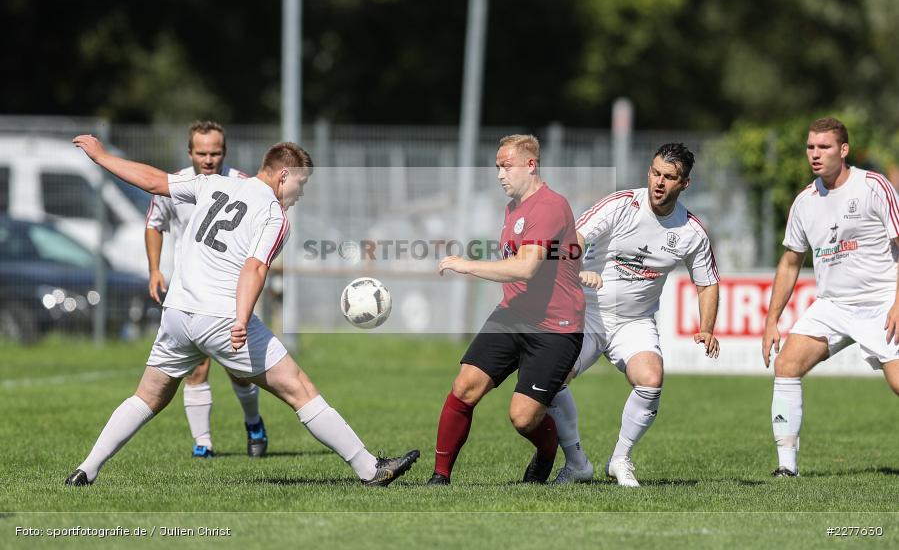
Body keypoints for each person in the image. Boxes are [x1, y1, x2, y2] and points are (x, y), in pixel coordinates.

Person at [65, 135, 418, 487]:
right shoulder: (274, 216)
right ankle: (370, 470)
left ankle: (87, 468)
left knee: (148, 397)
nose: (302, 192)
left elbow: (154, 181)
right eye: (302, 182)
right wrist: (242, 319)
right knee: (300, 389)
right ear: (283, 176)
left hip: (177, 313)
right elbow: (255, 269)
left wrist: (101, 157)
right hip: (220, 316)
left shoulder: (212, 184)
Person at [548, 143, 720, 487]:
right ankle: (577, 461)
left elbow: (707, 283)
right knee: (552, 379)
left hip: (635, 321)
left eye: (669, 177)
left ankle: (620, 459)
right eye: (655, 173)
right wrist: (576, 266)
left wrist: (707, 327)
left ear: (684, 184)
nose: (659, 182)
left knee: (651, 379)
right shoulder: (622, 204)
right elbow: (576, 236)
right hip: (588, 314)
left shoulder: (691, 231)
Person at [429, 134, 585, 485]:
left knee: (522, 418)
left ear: (531, 165)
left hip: (555, 327)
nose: (500, 174)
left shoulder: (549, 205)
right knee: (465, 386)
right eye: (497, 167)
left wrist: (466, 266)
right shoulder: (513, 206)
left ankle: (547, 452)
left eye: (506, 166)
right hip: (513, 314)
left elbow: (525, 267)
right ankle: (439, 477)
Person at [762, 117, 899, 477]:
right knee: (787, 366)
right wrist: (772, 320)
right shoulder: (805, 202)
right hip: (833, 305)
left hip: (883, 301)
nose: (815, 154)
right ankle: (786, 468)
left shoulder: (873, 186)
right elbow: (791, 262)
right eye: (810, 147)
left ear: (844, 150)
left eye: (823, 147)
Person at [145, 120, 268, 459]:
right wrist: (155, 269)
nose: (209, 159)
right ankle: (204, 443)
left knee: (240, 369)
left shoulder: (244, 184)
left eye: (215, 153)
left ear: (224, 152)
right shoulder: (178, 184)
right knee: (196, 367)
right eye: (202, 153)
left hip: (229, 291)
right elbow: (154, 225)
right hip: (189, 293)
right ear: (190, 152)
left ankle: (253, 422)